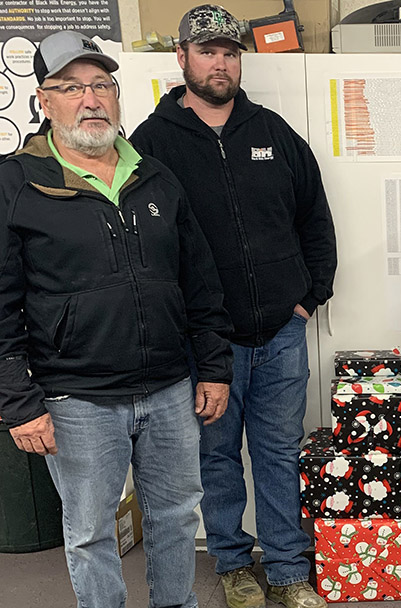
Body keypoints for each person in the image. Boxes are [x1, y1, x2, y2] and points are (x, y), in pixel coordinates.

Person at [0, 30, 233, 608]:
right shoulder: (14, 183)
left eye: (101, 84)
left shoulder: (153, 176)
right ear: (43, 101)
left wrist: (213, 366)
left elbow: (198, 280)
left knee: (177, 517)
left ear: (116, 95)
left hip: (169, 388)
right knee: (89, 534)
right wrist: (18, 403)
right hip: (75, 398)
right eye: (71, 87)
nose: (90, 99)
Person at [130, 5, 336, 608]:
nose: (220, 63)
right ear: (182, 58)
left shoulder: (274, 133)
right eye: (207, 52)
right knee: (216, 457)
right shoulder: (150, 145)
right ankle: (229, 561)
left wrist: (307, 298)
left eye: (229, 52)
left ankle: (289, 568)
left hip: (280, 333)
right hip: (205, 344)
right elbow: (142, 245)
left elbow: (315, 222)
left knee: (278, 452)